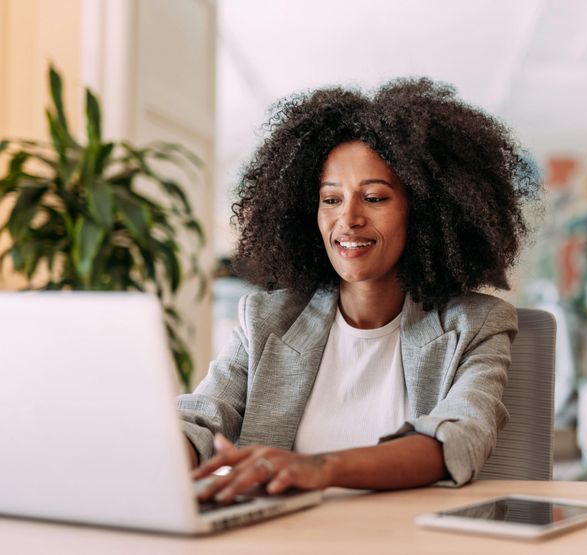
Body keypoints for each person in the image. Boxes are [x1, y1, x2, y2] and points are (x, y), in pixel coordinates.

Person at [179, 78, 540, 504]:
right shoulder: (265, 321)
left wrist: (321, 468)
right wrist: (158, 453)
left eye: (374, 197)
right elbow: (200, 419)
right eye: (330, 200)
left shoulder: (476, 324)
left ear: (422, 212)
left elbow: (459, 438)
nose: (348, 218)